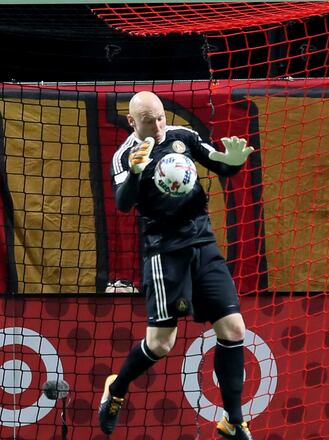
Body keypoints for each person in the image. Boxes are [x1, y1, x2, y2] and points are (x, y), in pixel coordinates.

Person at [98, 91, 255, 439]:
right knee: (160, 344)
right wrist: (138, 172)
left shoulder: (181, 136)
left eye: (160, 117)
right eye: (148, 120)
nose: (157, 125)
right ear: (132, 122)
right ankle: (117, 387)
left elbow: (220, 165)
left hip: (203, 242)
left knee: (233, 330)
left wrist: (235, 161)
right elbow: (124, 204)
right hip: (164, 252)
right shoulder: (125, 155)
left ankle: (233, 420)